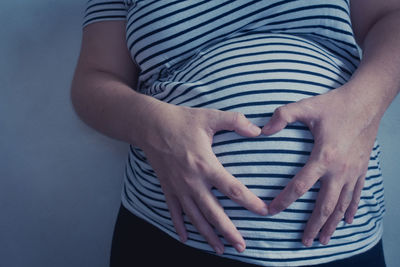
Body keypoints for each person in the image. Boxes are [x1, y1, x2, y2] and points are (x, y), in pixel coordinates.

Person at [70, 0, 400, 266]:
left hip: (341, 237)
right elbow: (94, 80)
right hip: (172, 233)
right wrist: (153, 125)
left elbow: (392, 16)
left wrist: (361, 109)